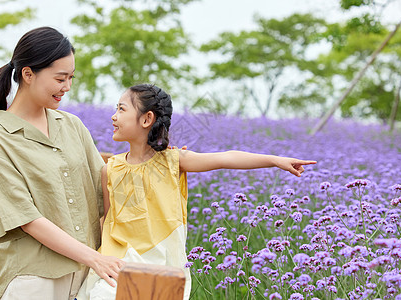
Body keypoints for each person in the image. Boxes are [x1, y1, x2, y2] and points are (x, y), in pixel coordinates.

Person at [76, 84, 317, 300]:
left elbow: (225, 158)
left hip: (161, 267)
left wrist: (275, 160)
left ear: (146, 118)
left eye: (121, 109)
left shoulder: (173, 160)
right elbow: (107, 222)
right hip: (118, 268)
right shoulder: (111, 169)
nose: (113, 116)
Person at [0, 26, 124, 300]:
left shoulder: (72, 125)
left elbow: (107, 182)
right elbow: (27, 220)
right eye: (60, 78)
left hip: (86, 277)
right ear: (28, 74)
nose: (66, 87)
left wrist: (155, 155)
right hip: (34, 280)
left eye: (70, 78)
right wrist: (94, 258)